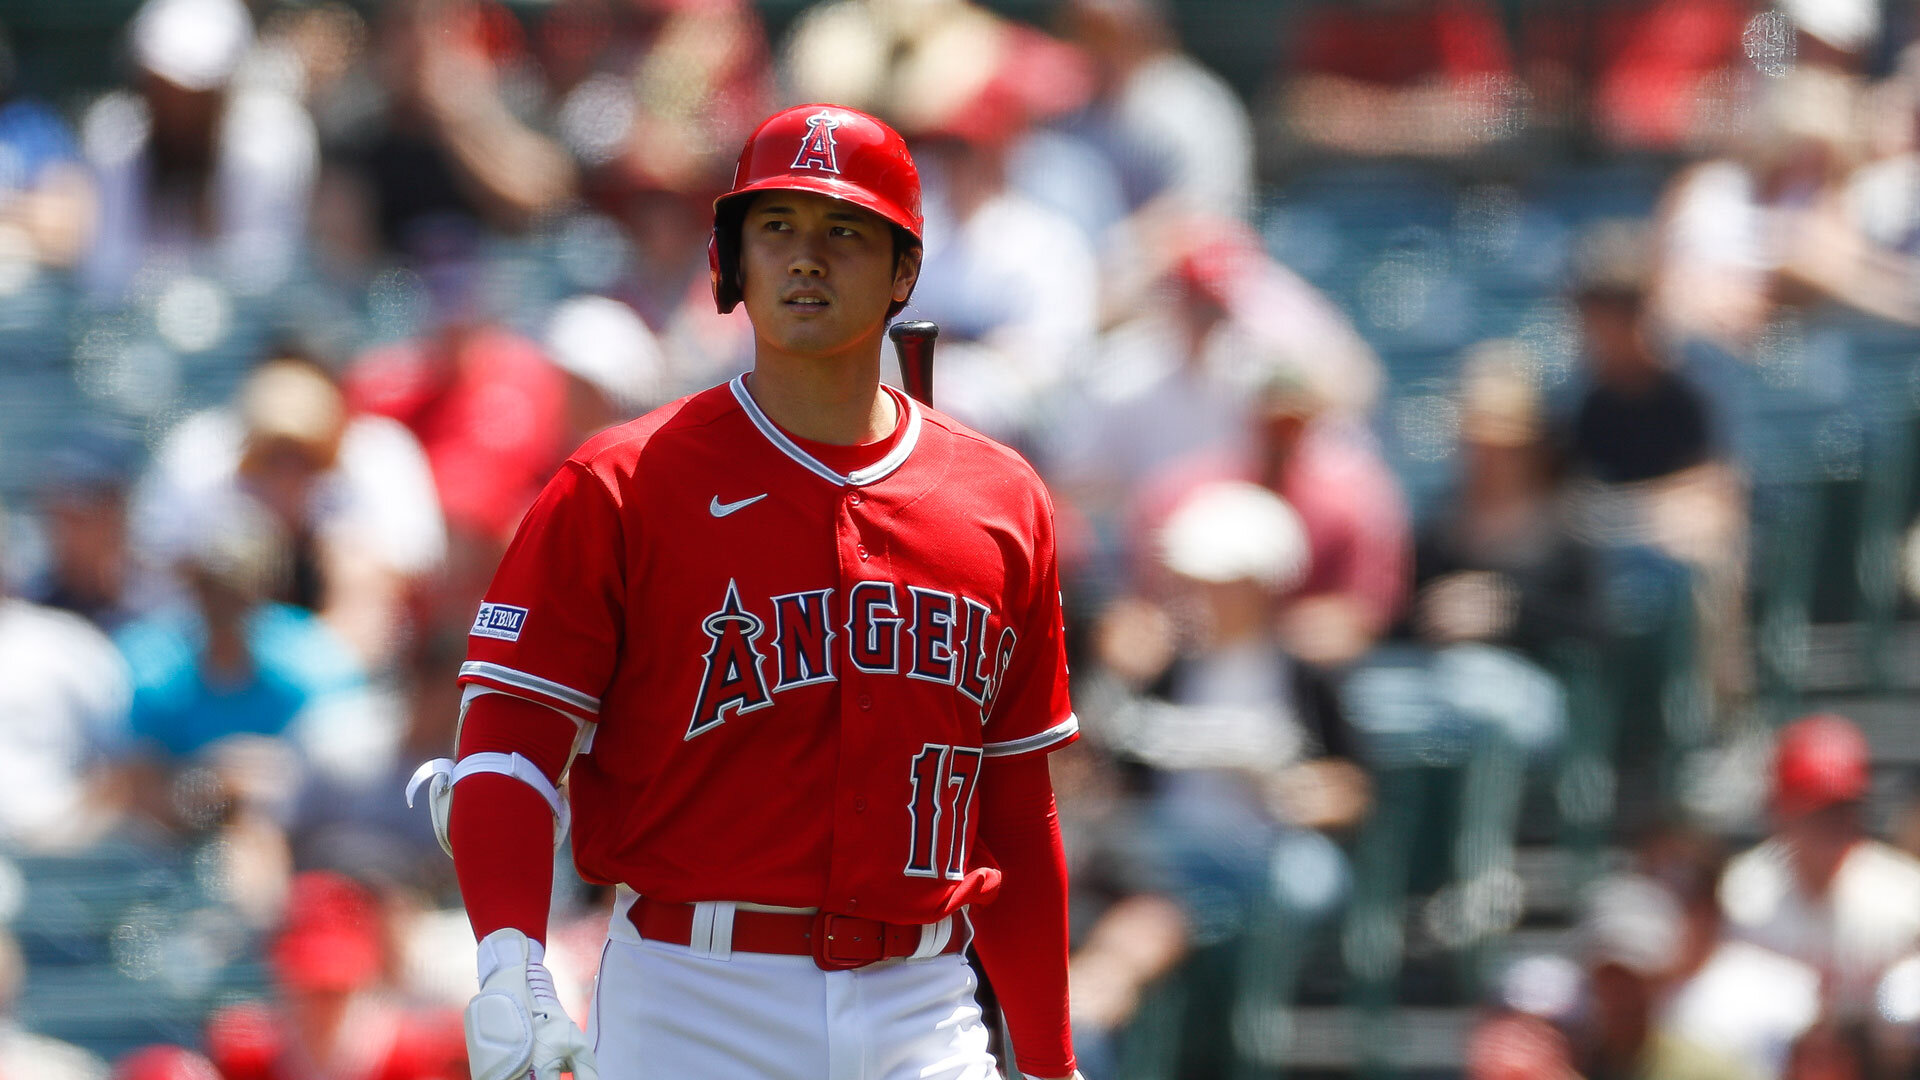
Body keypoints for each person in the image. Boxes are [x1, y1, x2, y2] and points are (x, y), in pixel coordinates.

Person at [412, 104, 1083, 1080]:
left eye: (844, 232)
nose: (805, 259)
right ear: (731, 263)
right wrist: (509, 954)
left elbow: (1016, 808)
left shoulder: (999, 498)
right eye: (776, 230)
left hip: (924, 1005)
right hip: (696, 996)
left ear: (905, 272)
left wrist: (1053, 1063)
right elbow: (508, 743)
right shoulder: (622, 484)